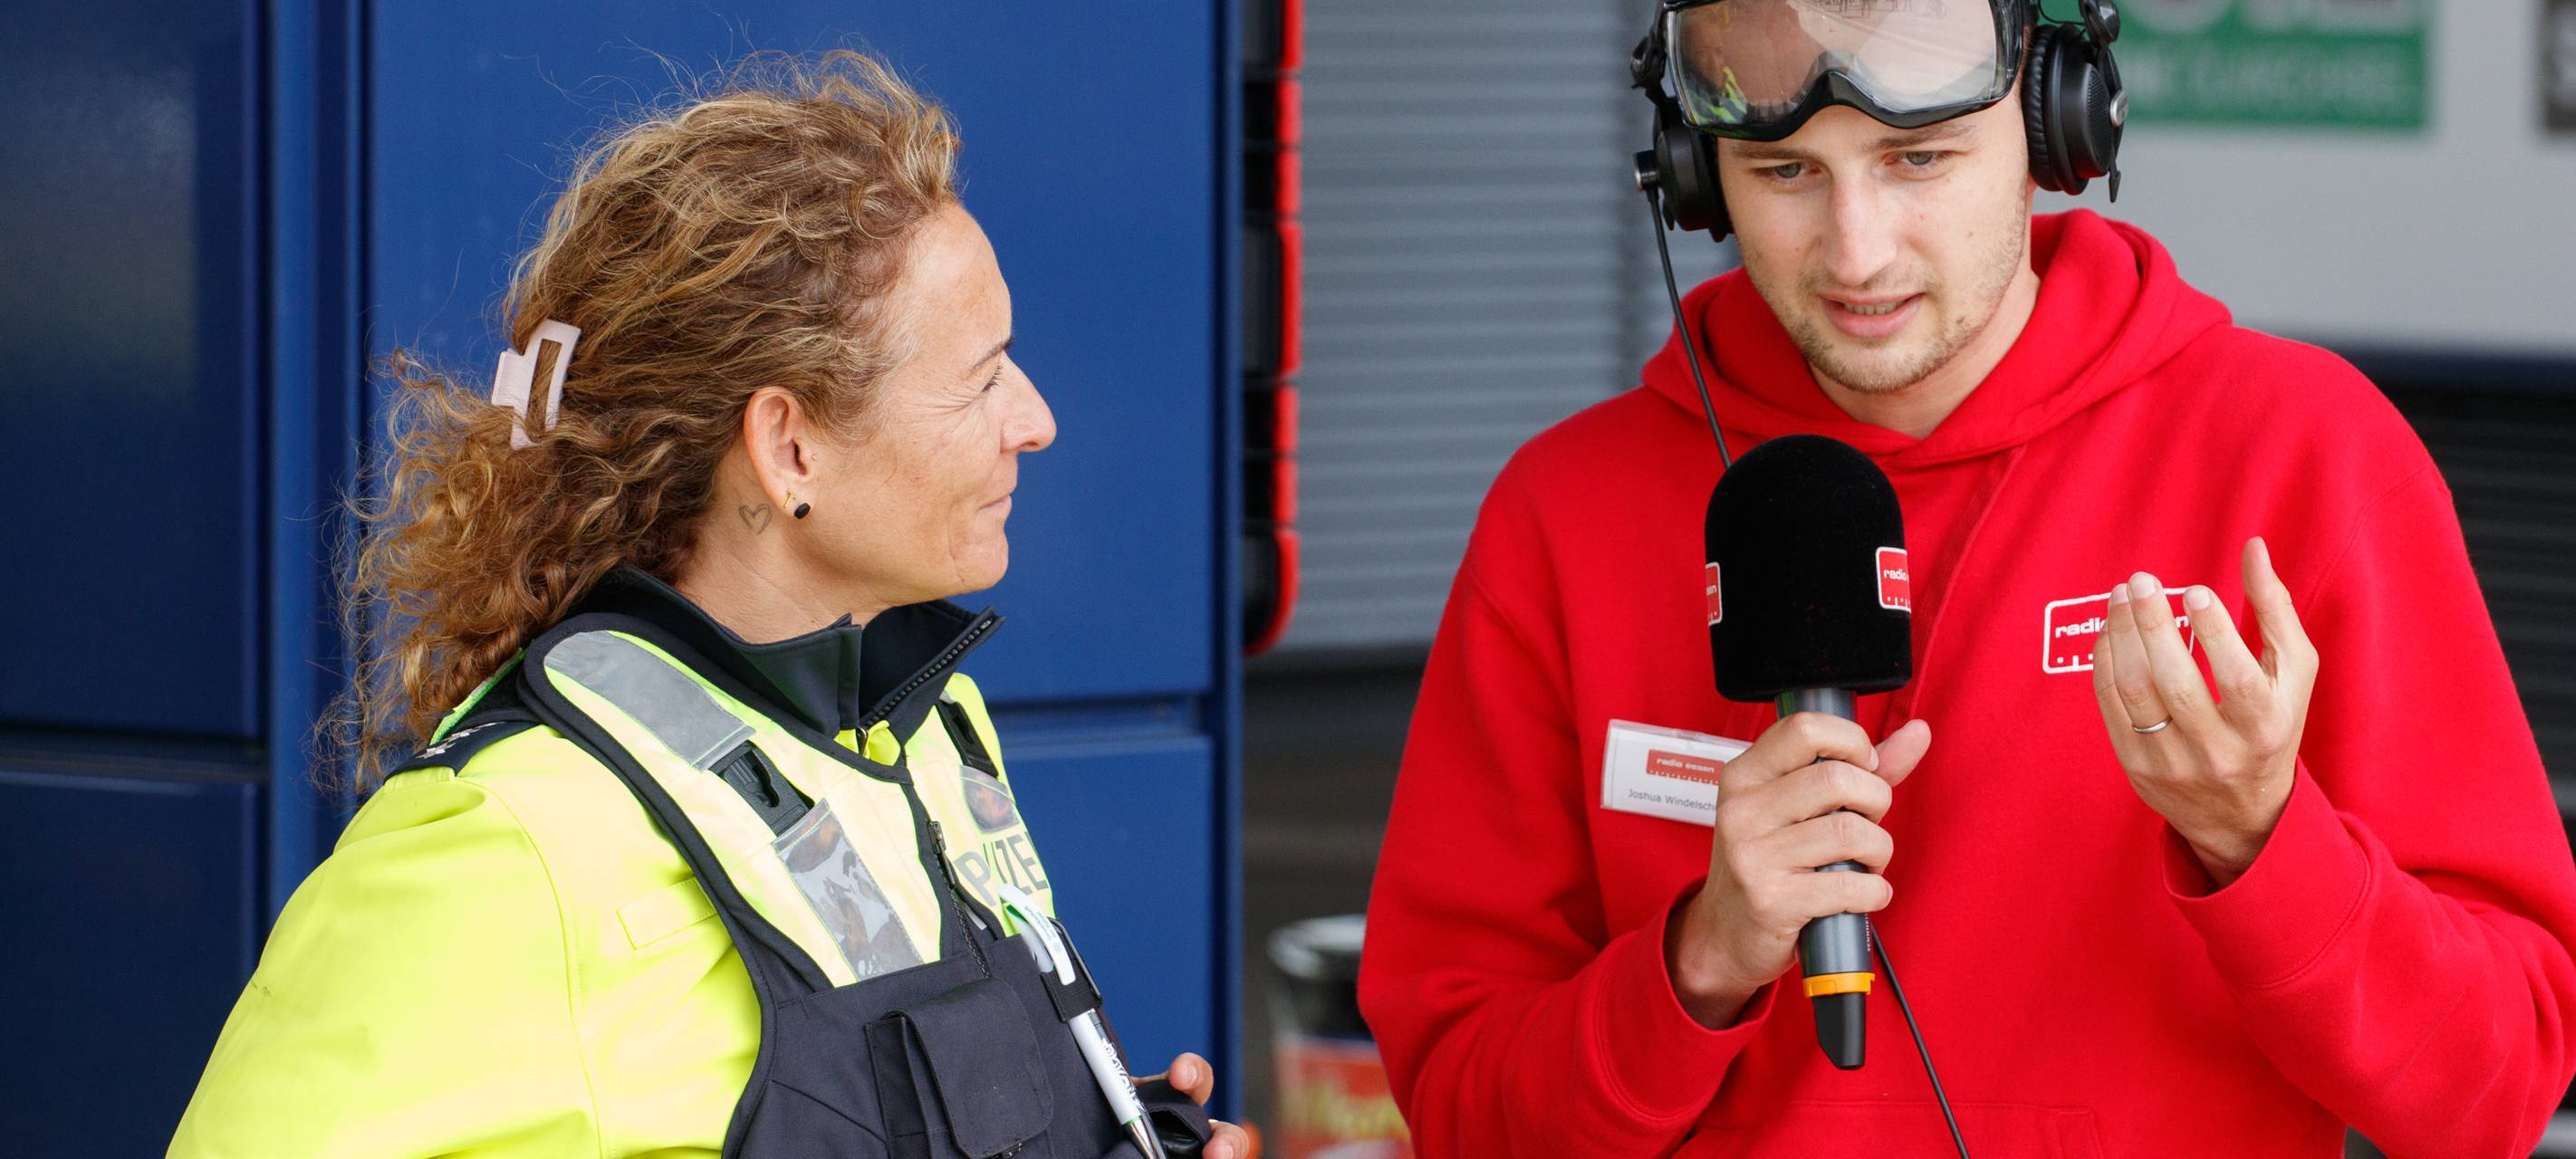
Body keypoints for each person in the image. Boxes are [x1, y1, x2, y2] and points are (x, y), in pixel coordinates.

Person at [1359, 2, 2576, 1155]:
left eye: (1919, 160)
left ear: (2056, 127)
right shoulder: (1563, 515)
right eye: (1786, 173)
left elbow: (2494, 1092)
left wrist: (2264, 841)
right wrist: (1700, 963)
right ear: (1692, 173)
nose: (1858, 251)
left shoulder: (2301, 458)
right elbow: (1462, 1113)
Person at [171, 52, 1248, 1159]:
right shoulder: (512, 841)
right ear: (790, 448)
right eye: (981, 378)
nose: (1036, 419)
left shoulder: (929, 733)